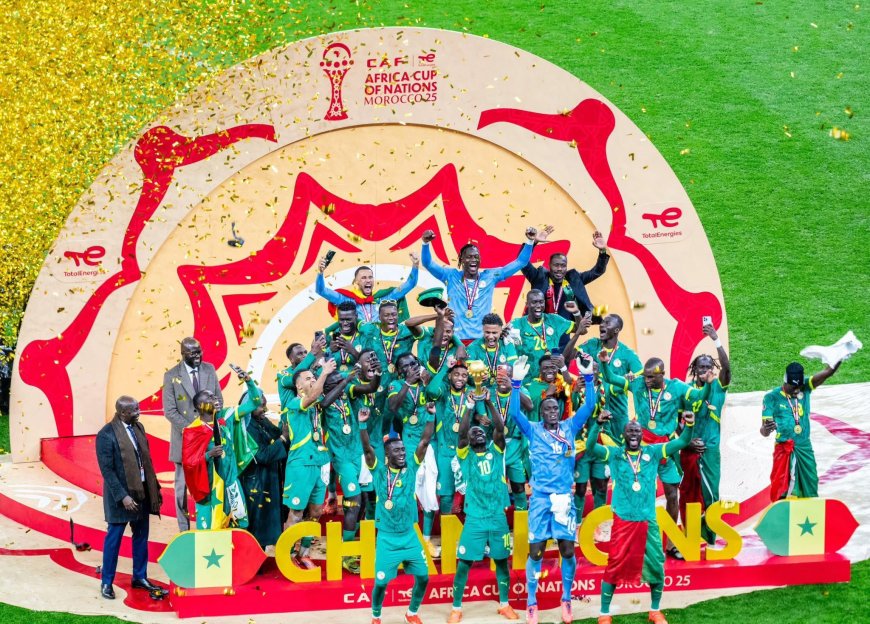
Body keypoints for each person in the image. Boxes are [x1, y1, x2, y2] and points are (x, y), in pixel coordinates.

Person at [598, 351, 714, 559]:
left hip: (666, 449)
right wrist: (605, 363)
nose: (647, 380)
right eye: (646, 376)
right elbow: (611, 378)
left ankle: (671, 543)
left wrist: (707, 384)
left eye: (651, 377)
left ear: (662, 375)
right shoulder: (638, 385)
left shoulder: (676, 387)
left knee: (672, 494)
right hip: (642, 451)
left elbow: (699, 396)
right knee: (641, 494)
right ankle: (638, 542)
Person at [586, 409, 696, 624]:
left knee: (656, 565)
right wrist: (597, 425)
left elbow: (682, 441)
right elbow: (591, 447)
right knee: (614, 564)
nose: (634, 434)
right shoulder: (615, 454)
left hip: (648, 520)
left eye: (637, 431)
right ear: (624, 435)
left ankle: (655, 610)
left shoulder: (653, 452)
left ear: (642, 434)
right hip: (623, 520)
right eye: (630, 431)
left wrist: (689, 425)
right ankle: (604, 613)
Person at [509, 354, 596, 624]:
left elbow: (589, 406)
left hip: (563, 500)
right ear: (541, 413)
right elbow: (514, 413)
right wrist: (515, 384)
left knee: (567, 550)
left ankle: (566, 599)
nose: (552, 412)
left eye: (555, 409)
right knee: (535, 552)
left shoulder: (569, 427)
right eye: (547, 409)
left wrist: (589, 377)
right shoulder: (533, 430)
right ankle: (531, 602)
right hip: (540, 500)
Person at [447, 389, 518, 623]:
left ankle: (504, 604)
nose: (477, 433)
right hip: (475, 518)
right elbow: (462, 434)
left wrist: (488, 401)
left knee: (501, 562)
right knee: (464, 564)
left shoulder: (497, 452)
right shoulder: (465, 456)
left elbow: (499, 427)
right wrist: (469, 407)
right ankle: (456, 608)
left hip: (497, 517)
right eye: (473, 432)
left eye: (480, 432)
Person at [360, 404, 435, 624]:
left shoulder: (411, 468)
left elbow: (424, 442)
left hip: (409, 536)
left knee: (423, 577)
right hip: (387, 539)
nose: (402, 453)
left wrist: (431, 417)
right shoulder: (378, 471)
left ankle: (411, 613)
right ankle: (376, 616)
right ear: (387, 454)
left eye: (403, 450)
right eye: (397, 451)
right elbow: (367, 450)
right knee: (381, 583)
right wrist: (362, 425)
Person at [420, 225, 554, 341]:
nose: (473, 260)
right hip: (456, 340)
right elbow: (428, 263)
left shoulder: (490, 277)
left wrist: (530, 241)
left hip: (482, 342)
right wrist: (425, 244)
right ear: (461, 260)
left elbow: (520, 262)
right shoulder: (450, 276)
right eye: (469, 257)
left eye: (476, 257)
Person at [96, 396, 166, 600]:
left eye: (138, 408)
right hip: (121, 499)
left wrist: (154, 488)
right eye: (134, 410)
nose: (138, 412)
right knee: (114, 540)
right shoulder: (106, 435)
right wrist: (123, 496)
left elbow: (146, 461)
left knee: (141, 537)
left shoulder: (138, 427)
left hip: (141, 493)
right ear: (122, 413)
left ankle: (140, 577)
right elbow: (107, 471)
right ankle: (106, 582)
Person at [182, 367, 261, 531]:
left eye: (214, 395)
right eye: (210, 398)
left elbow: (254, 402)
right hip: (210, 489)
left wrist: (248, 381)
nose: (215, 398)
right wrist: (208, 455)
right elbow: (188, 463)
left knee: (240, 524)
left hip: (231, 482)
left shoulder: (226, 416)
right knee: (209, 529)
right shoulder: (192, 431)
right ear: (200, 406)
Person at [162, 337, 222, 531]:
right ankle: (184, 531)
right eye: (193, 353)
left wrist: (209, 427)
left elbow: (219, 400)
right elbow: (170, 411)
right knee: (181, 490)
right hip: (185, 441)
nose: (198, 356)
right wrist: (194, 430)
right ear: (183, 354)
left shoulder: (209, 369)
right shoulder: (171, 375)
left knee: (213, 484)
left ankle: (212, 526)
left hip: (210, 440)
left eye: (199, 351)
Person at [679, 323, 731, 544]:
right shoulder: (686, 390)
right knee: (689, 493)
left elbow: (727, 368)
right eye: (701, 366)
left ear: (713, 369)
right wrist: (687, 441)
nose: (705, 370)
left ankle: (709, 536)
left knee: (711, 493)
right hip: (690, 451)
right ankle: (691, 535)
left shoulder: (719, 387)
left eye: (709, 366)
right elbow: (677, 423)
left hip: (710, 450)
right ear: (695, 369)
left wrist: (716, 340)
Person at [282, 359, 336, 569]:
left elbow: (321, 397)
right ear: (298, 386)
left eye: (314, 377)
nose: (313, 380)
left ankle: (304, 553)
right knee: (296, 513)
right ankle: (287, 557)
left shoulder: (316, 406)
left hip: (319, 463)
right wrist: (324, 372)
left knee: (315, 512)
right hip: (301, 465)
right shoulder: (294, 404)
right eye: (308, 378)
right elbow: (312, 396)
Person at [761, 359, 841, 500]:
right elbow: (764, 432)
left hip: (804, 447)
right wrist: (766, 429)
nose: (797, 390)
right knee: (781, 487)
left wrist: (840, 355)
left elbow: (828, 372)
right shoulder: (771, 398)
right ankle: (782, 511)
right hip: (784, 448)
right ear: (785, 381)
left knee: (810, 482)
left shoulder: (805, 386)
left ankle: (808, 510)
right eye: (793, 387)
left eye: (799, 387)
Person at [387, 352, 440, 556]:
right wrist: (408, 383)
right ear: (400, 371)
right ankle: (408, 539)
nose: (412, 368)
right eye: (406, 366)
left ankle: (425, 541)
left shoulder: (427, 381)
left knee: (429, 492)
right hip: (408, 444)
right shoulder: (395, 385)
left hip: (431, 442)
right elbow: (393, 407)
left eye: (414, 363)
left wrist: (428, 383)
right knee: (407, 492)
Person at [238, 387, 289, 554]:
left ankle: (260, 555)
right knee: (257, 521)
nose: (265, 409)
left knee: (267, 519)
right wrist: (283, 438)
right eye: (261, 406)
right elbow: (262, 455)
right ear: (250, 406)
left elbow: (276, 433)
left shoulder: (260, 420)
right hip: (255, 482)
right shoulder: (245, 428)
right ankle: (252, 557)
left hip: (268, 478)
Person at [522, 230, 610, 319]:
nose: (559, 269)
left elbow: (597, 271)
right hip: (540, 326)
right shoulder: (539, 277)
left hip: (567, 326)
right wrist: (533, 242)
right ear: (549, 266)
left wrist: (602, 251)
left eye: (563, 265)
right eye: (556, 265)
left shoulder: (574, 279)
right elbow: (522, 262)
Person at [316, 252, 420, 323]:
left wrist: (415, 265)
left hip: (380, 343)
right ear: (356, 281)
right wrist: (320, 273)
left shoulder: (384, 298)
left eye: (370, 277)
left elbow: (410, 284)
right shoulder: (346, 300)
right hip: (357, 344)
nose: (368, 280)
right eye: (363, 278)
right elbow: (321, 290)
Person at [511, 289, 586, 380]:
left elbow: (581, 330)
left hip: (550, 379)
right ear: (527, 304)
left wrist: (576, 312)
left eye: (541, 302)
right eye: (534, 302)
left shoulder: (554, 320)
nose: (538, 306)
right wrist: (503, 333)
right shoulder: (516, 324)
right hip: (527, 381)